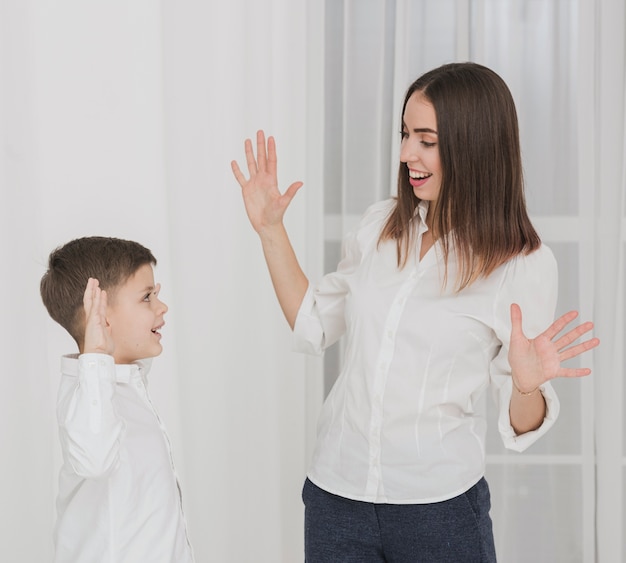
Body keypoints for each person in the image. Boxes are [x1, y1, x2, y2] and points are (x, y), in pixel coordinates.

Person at [231, 62, 600, 562]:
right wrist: (270, 230)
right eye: (406, 135)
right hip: (336, 497)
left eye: (426, 140)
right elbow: (314, 322)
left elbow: (522, 421)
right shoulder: (380, 225)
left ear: (474, 146)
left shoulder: (522, 264)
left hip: (439, 512)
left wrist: (526, 383)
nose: (406, 154)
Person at [40, 236, 194, 563]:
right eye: (147, 297)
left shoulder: (124, 383)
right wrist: (96, 353)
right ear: (101, 316)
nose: (162, 306)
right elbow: (94, 459)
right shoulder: (86, 394)